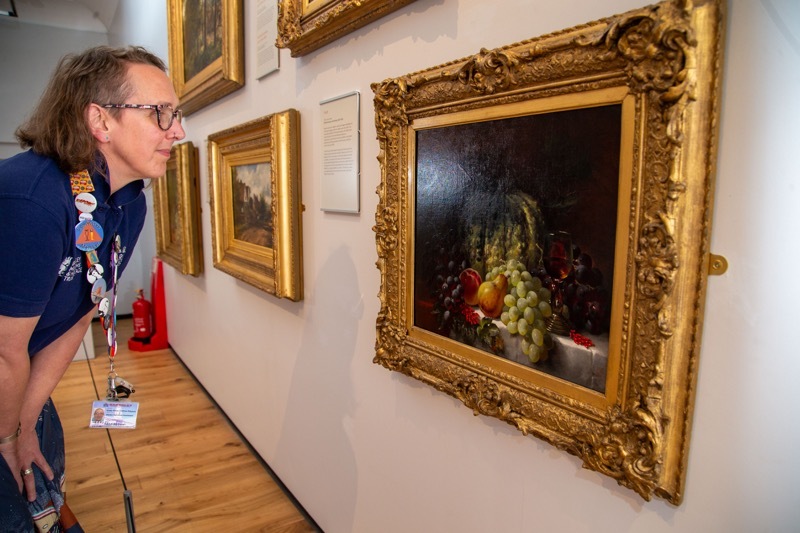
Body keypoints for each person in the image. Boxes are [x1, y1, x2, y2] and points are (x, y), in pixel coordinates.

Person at [0, 45, 185, 532]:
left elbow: (83, 309)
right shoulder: (33, 198)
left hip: (17, 385)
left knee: (43, 492)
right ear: (100, 121)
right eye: (160, 113)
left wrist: (27, 421)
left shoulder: (130, 203)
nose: (178, 131)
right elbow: (3, 351)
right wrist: (7, 437)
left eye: (176, 114)